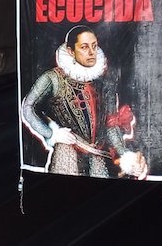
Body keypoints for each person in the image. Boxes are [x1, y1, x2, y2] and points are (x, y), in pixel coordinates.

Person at [20, 25, 149, 179]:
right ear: (70, 51)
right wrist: (52, 133)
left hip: (98, 153)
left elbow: (109, 123)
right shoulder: (52, 78)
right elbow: (28, 107)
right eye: (84, 47)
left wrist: (125, 156)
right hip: (67, 150)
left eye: (94, 46)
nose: (91, 52)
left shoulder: (105, 79)